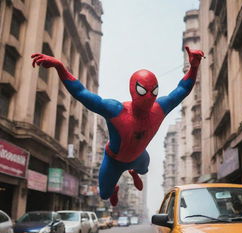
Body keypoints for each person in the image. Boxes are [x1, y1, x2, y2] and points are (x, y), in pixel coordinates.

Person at [31, 46, 204, 206]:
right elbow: (81, 93)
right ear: (133, 90)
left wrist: (194, 67)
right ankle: (115, 188)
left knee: (144, 169)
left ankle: (133, 172)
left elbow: (182, 89)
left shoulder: (159, 108)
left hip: (138, 157)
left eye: (154, 91)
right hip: (113, 160)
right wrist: (60, 67)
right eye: (143, 90)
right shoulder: (115, 110)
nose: (149, 96)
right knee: (105, 195)